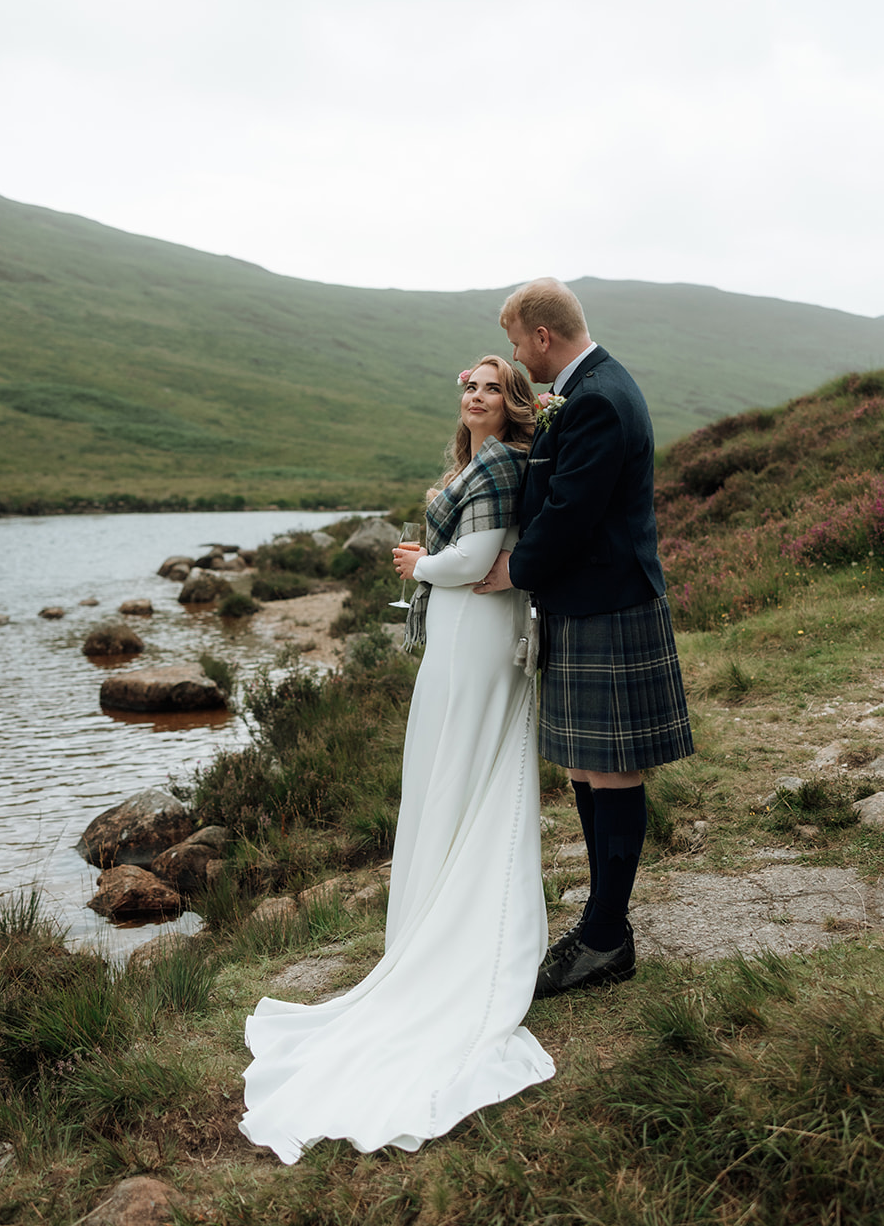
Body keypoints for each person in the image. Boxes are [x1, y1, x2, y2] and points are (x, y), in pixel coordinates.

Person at [239, 355, 555, 1163]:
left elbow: (476, 559)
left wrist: (419, 564)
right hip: (458, 629)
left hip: (478, 628)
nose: (474, 396)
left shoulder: (500, 463)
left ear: (512, 401)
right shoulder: (478, 459)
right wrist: (431, 565)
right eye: (468, 387)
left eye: (489, 387)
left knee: (467, 758)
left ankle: (458, 924)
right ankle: (431, 913)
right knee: (448, 761)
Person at [475, 278, 694, 998]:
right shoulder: (587, 387)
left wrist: (515, 569)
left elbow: (573, 509)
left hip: (608, 602)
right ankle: (605, 922)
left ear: (542, 336)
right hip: (585, 601)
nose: (515, 356)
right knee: (583, 767)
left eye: (515, 341)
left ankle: (605, 938)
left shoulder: (596, 396)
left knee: (611, 769)